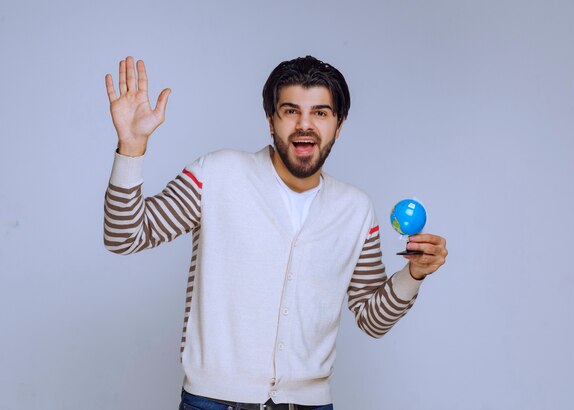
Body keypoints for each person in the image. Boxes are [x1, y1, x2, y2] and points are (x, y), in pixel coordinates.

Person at [103, 55, 448, 410]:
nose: (304, 125)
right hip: (213, 402)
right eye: (290, 111)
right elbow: (124, 235)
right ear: (271, 120)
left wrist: (413, 274)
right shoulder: (217, 174)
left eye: (320, 113)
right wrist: (131, 147)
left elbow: (373, 320)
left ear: (338, 125)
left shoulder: (356, 210)